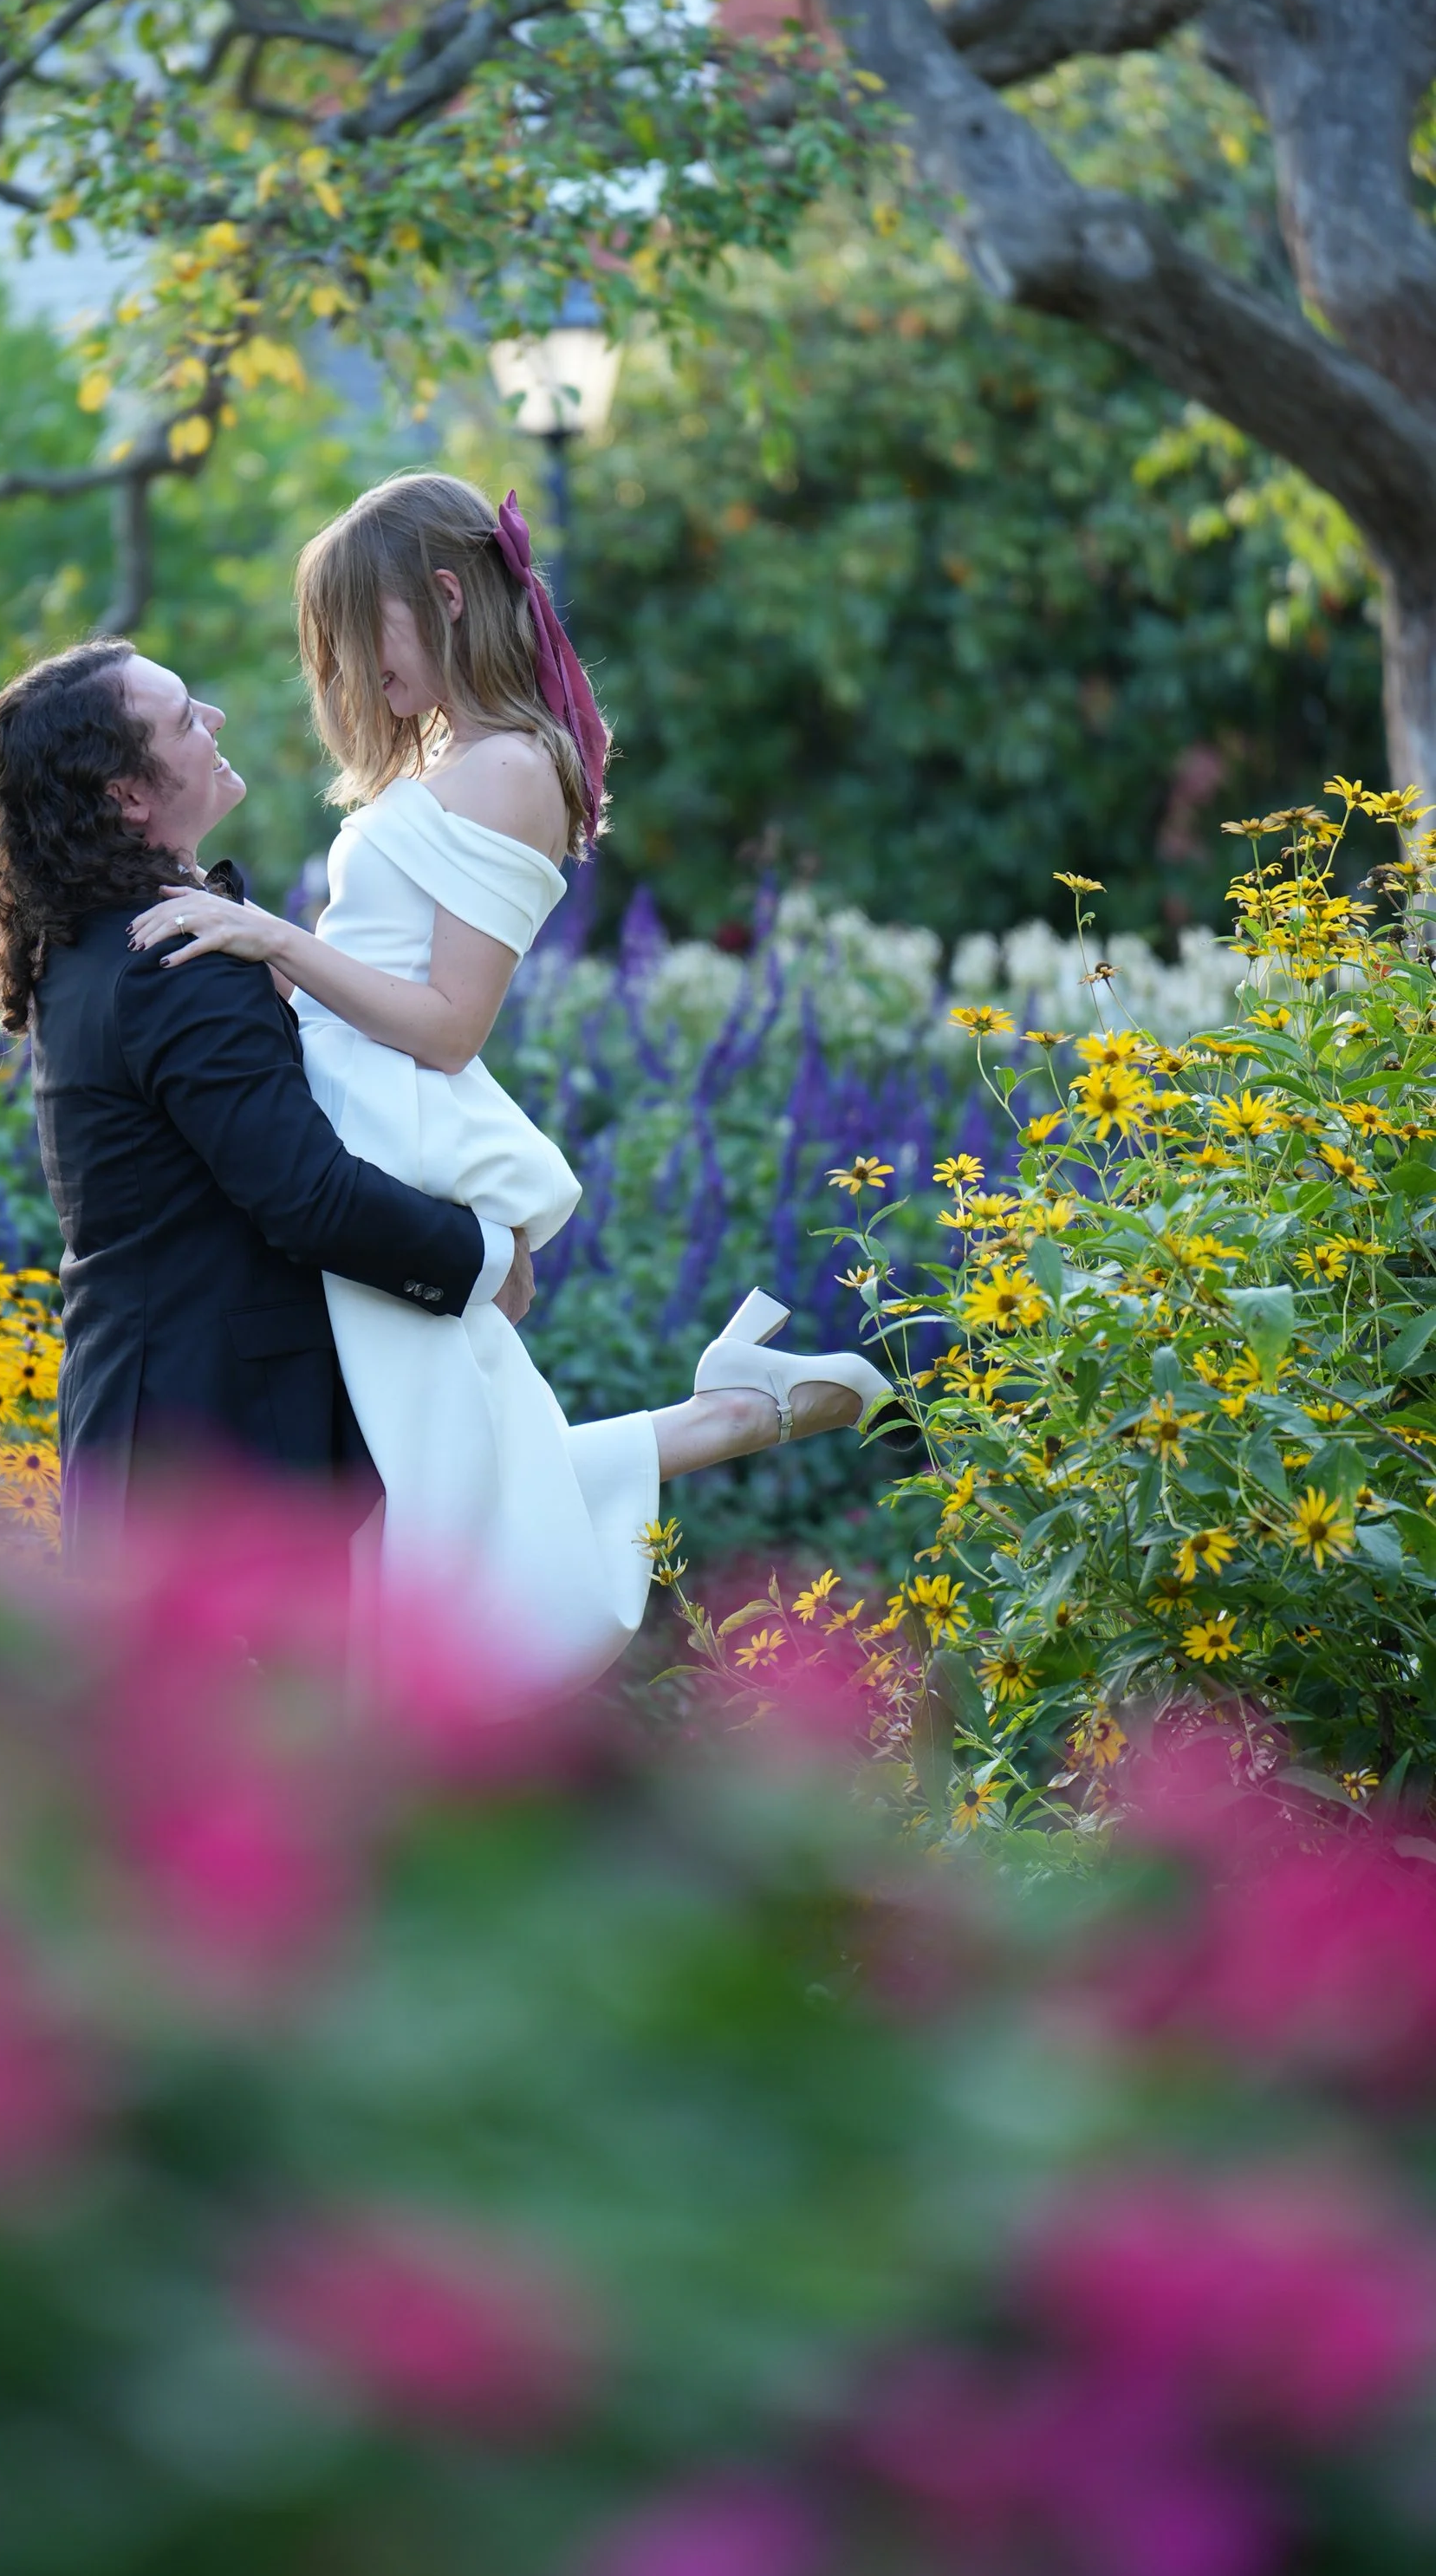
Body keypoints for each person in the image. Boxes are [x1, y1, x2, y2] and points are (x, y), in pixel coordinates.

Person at [126, 471, 891, 1677]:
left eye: (352, 632)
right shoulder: (458, 760)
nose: (340, 670)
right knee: (445, 1467)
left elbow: (448, 1024)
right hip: (350, 1110)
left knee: (438, 1490)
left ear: (439, 596)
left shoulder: (509, 768)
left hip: (396, 1124)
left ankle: (415, 1750)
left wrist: (279, 941)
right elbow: (373, 970)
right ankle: (735, 1413)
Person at [0, 637, 536, 1555]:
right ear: (128, 794)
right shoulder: (175, 963)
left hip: (150, 1433)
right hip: (215, 1457)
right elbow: (305, 1198)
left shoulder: (95, 945)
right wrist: (480, 1260)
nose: (215, 721)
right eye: (186, 717)